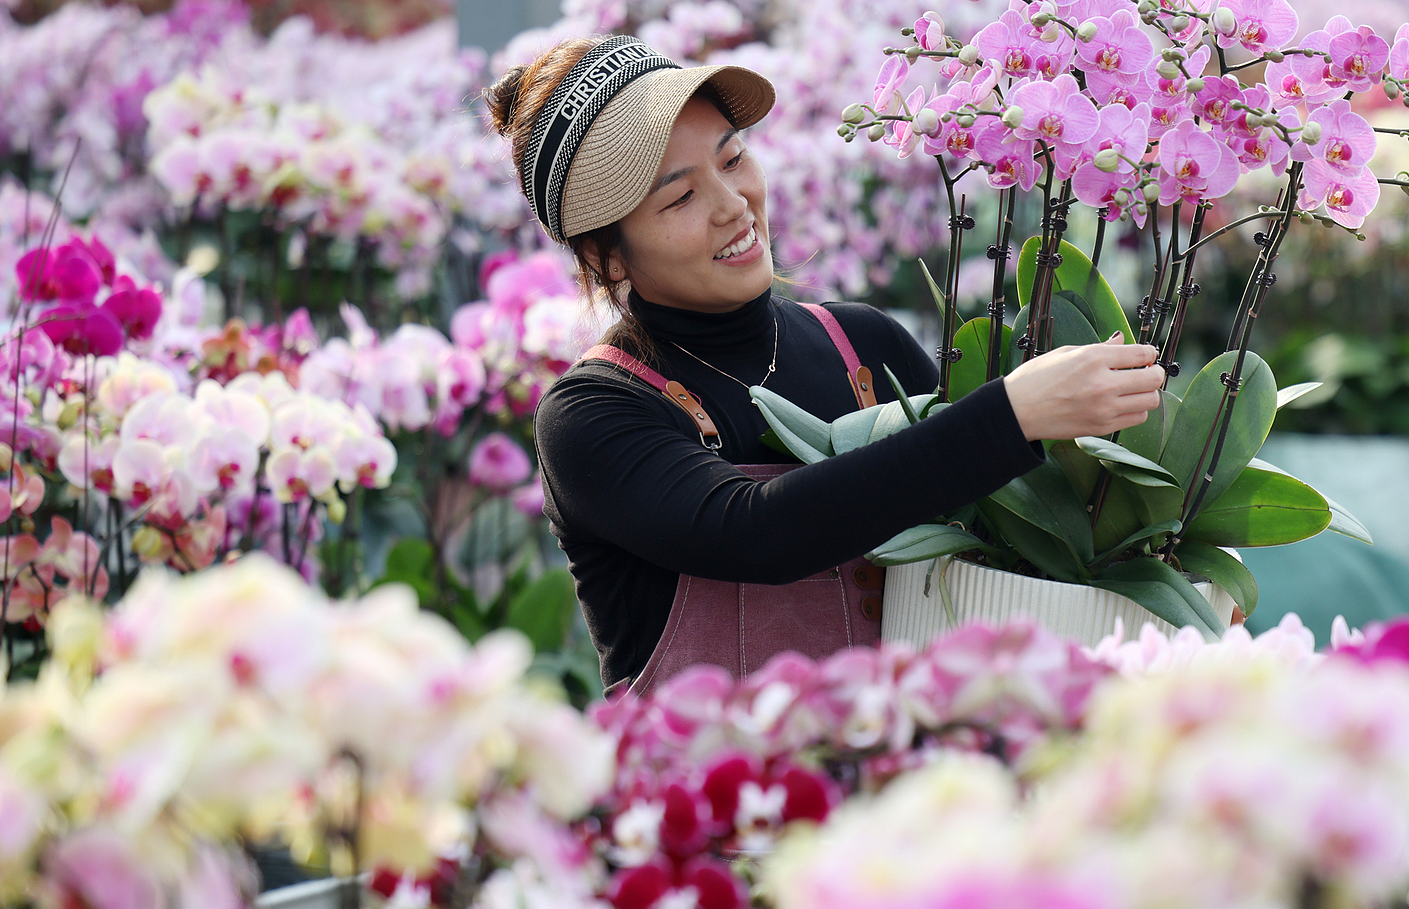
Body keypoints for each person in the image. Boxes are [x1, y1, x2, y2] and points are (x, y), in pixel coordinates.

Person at [491, 34, 1165, 696]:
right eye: (680, 198)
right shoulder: (592, 414)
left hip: (908, 790)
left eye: (732, 160)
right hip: (718, 797)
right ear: (608, 258)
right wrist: (1013, 415)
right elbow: (758, 530)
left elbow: (1013, 537)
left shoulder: (863, 346)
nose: (733, 206)